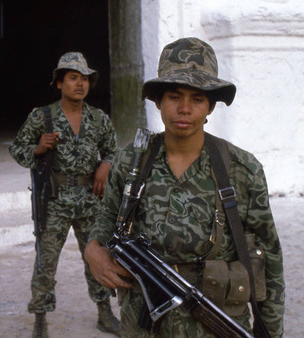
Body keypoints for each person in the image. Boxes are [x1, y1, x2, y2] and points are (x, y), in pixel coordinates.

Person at [84, 37, 285, 337]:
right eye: (175, 96)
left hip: (214, 323)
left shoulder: (242, 170)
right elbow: (107, 218)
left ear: (211, 107)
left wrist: (270, 331)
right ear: (158, 101)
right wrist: (92, 250)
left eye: (198, 99)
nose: (185, 109)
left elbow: (268, 255)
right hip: (143, 324)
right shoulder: (131, 163)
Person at [9, 52, 120, 337]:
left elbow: (112, 149)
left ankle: (104, 312)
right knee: (45, 263)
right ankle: (40, 319)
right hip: (54, 202)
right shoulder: (42, 116)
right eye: (73, 78)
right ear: (59, 83)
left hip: (91, 201)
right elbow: (17, 148)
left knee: (98, 258)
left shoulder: (98, 118)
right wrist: (37, 148)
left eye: (84, 79)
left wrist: (106, 165)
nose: (80, 84)